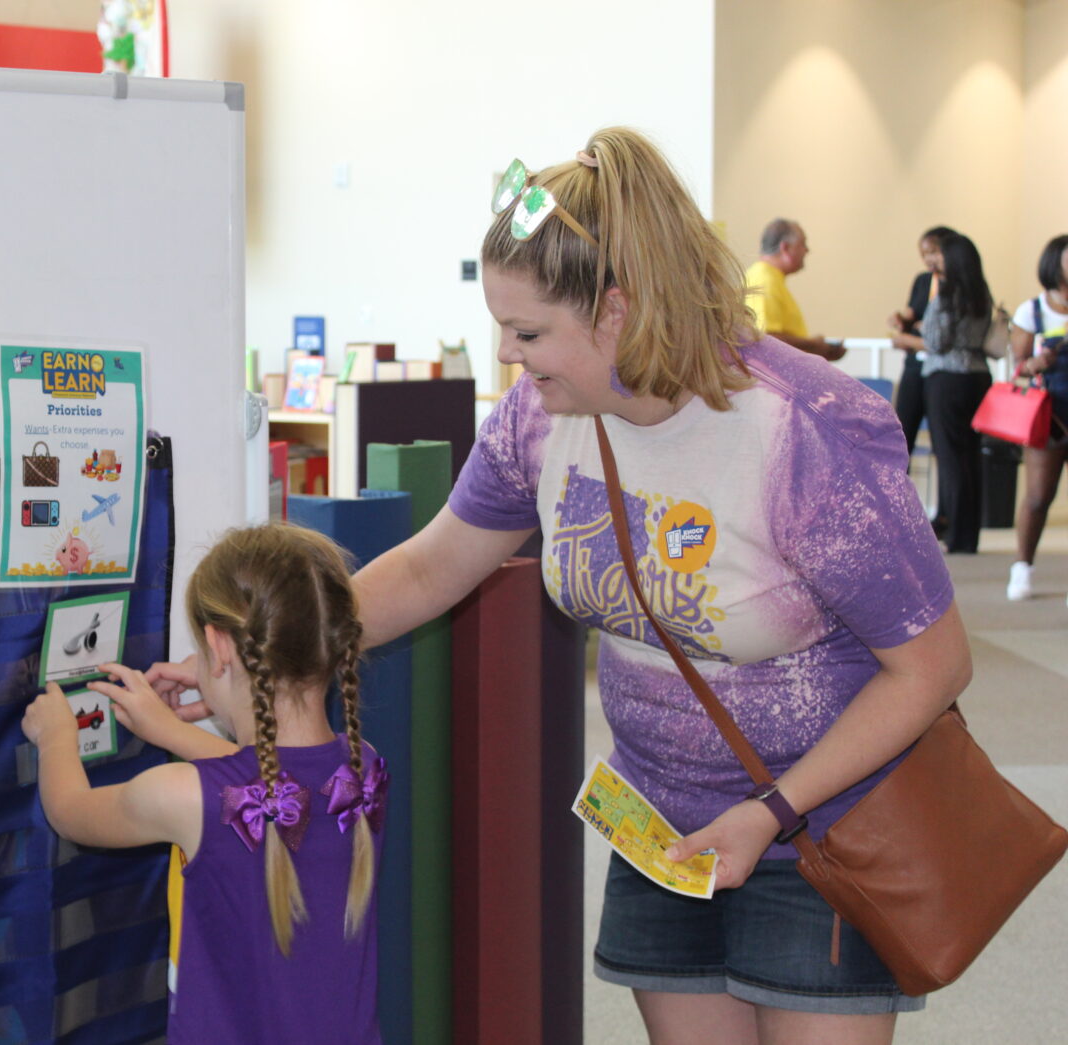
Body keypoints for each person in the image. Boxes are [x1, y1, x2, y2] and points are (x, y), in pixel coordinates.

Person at [150, 127, 969, 1045]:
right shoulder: (539, 420)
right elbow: (431, 565)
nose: (507, 353)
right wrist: (254, 657)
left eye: (529, 330)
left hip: (820, 827)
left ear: (617, 310)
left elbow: (932, 666)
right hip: (657, 824)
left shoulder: (803, 432)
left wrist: (769, 812)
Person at [22, 523, 385, 1045]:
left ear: (218, 647)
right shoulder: (365, 772)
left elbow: (71, 809)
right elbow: (282, 790)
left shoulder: (182, 795)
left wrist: (56, 736)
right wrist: (176, 726)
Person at [891, 233, 1004, 554]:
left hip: (946, 379)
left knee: (951, 458)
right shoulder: (981, 291)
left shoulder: (947, 293)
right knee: (970, 456)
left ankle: (953, 533)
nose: (935, 261)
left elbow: (937, 342)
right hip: (978, 376)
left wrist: (905, 339)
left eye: (940, 255)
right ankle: (967, 537)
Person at [1004, 234, 1068, 602]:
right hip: (1050, 412)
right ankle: (1022, 567)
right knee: (1039, 496)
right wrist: (1035, 363)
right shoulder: (1033, 311)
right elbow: (1019, 368)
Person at [886, 225, 958, 459]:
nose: (929, 259)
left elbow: (942, 336)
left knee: (944, 441)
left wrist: (911, 336)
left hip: (942, 369)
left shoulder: (959, 285)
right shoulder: (923, 280)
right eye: (925, 254)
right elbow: (912, 312)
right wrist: (901, 319)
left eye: (934, 252)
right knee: (902, 433)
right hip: (915, 365)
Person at [743, 218, 847, 361]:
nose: (807, 250)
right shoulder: (765, 280)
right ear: (785, 248)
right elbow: (766, 339)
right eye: (802, 244)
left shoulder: (770, 277)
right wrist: (813, 345)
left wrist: (819, 351)